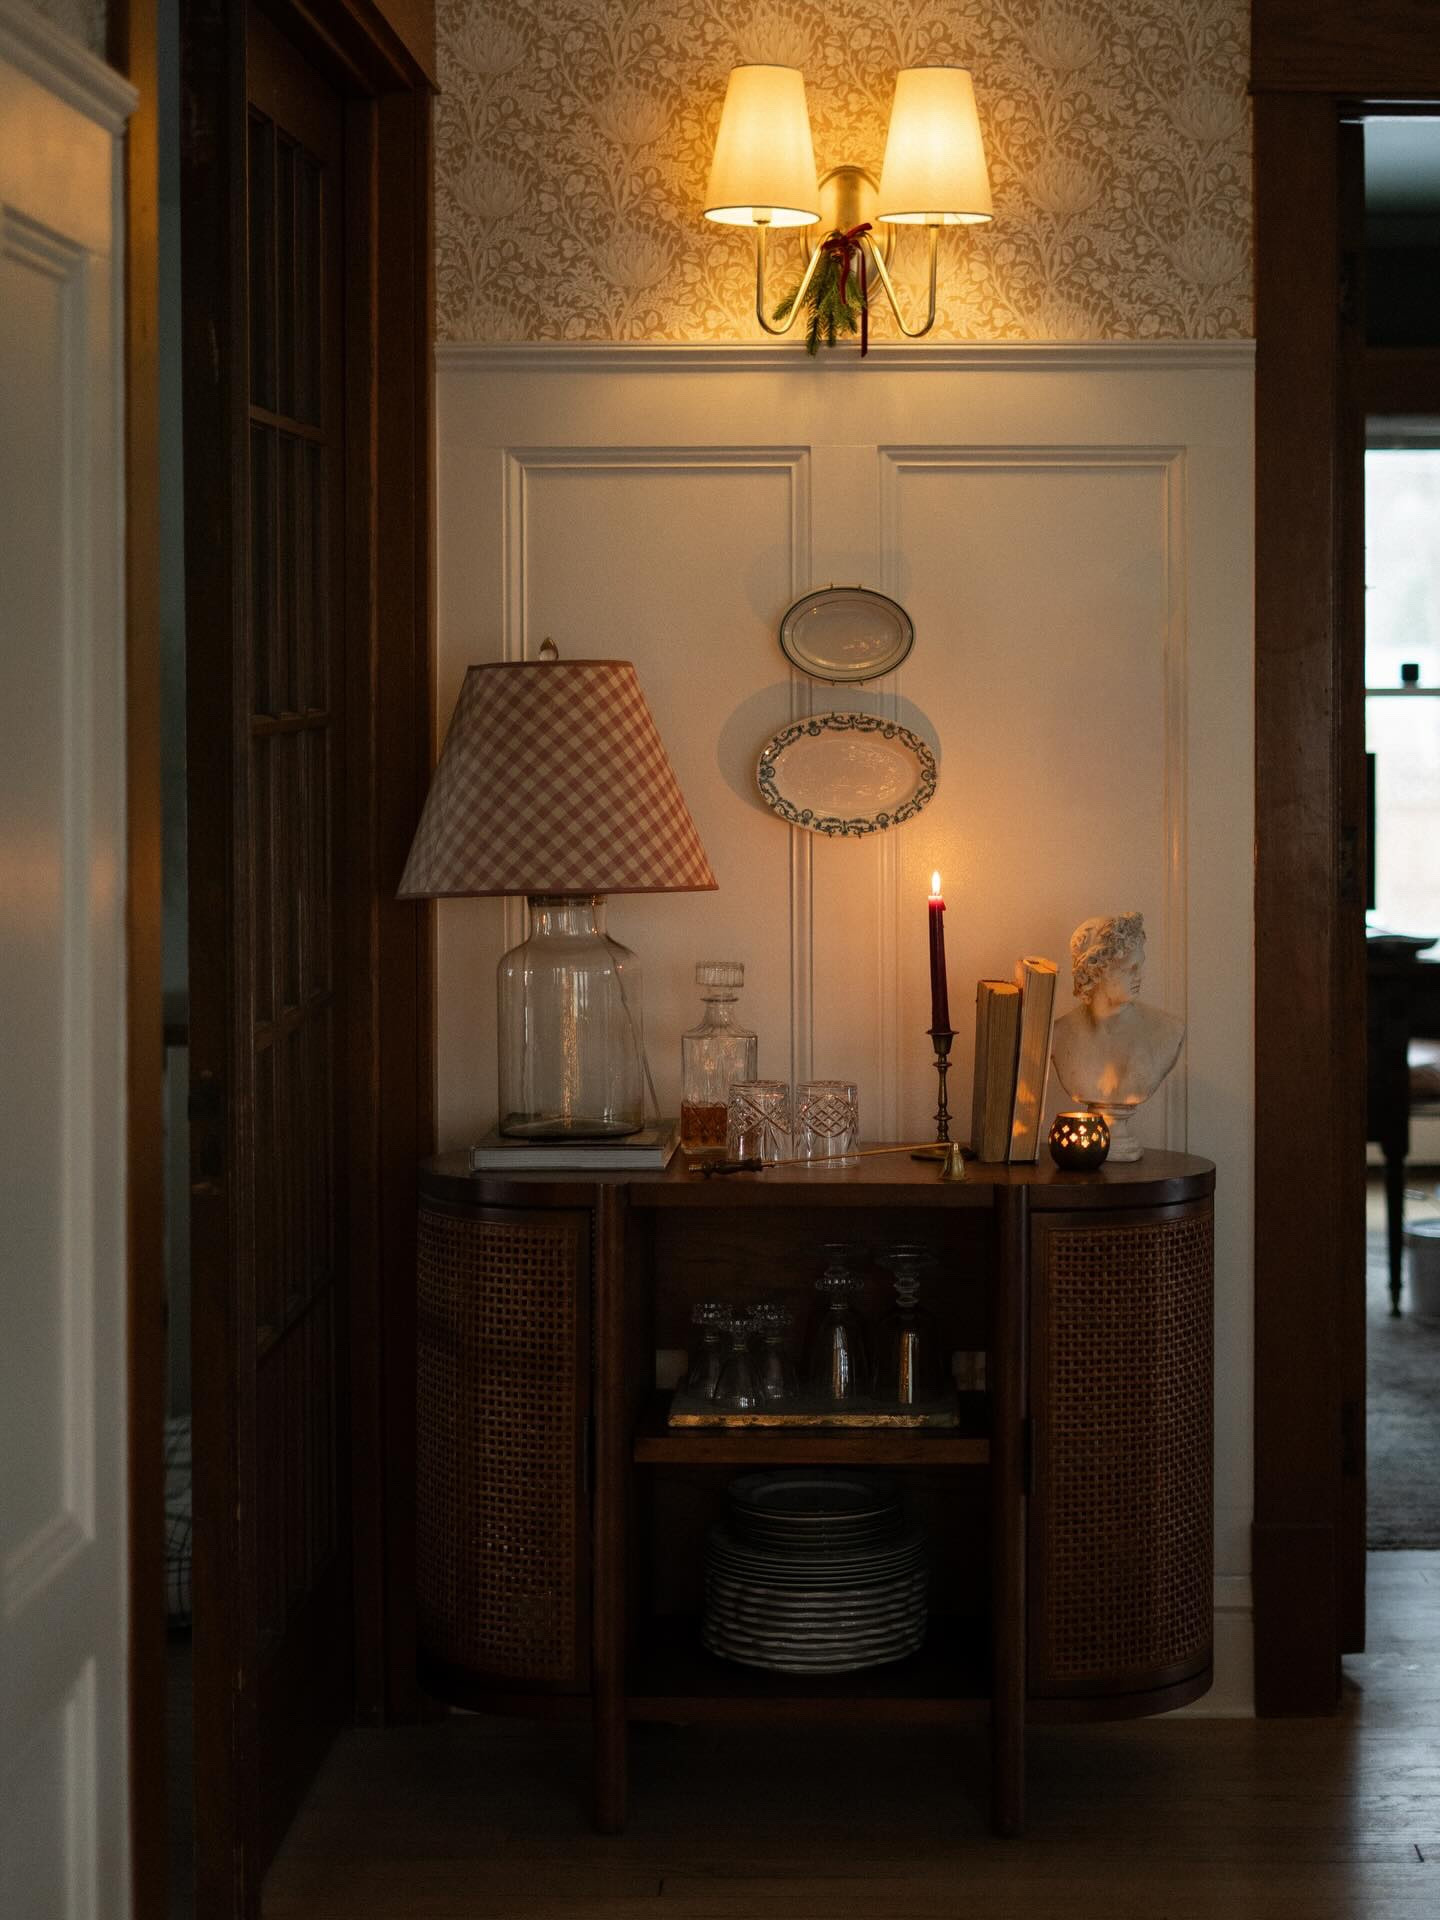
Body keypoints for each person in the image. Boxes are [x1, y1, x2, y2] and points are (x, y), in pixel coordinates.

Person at [1051, 912, 1184, 1158]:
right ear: (1097, 971)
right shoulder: (1059, 1034)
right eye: (1129, 968)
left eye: (1140, 965)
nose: (1140, 975)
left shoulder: (1167, 1031)